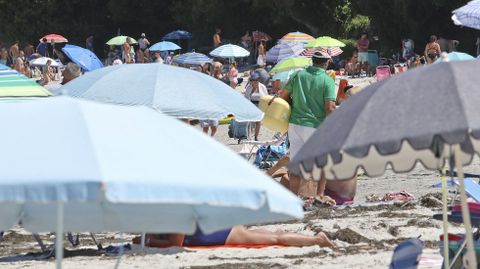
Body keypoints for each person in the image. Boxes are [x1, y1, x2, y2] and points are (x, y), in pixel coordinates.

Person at [280, 51, 336, 204]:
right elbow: (330, 108)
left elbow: (283, 95)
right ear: (326, 62)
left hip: (295, 124)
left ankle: (293, 199)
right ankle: (319, 195)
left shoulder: (299, 75)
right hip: (315, 126)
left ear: (313, 60)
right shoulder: (327, 80)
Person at [133, 225, 333, 248]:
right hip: (223, 229)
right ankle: (313, 238)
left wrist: (150, 242)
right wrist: (146, 237)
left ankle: (317, 240)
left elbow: (174, 244)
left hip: (224, 234)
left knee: (275, 240)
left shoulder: (176, 217)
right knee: (273, 236)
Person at [245, 72, 268, 140]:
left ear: (258, 80)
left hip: (260, 106)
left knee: (258, 122)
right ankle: (249, 135)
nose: (254, 81)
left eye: (256, 80)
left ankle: (256, 137)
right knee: (250, 121)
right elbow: (246, 98)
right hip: (252, 105)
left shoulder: (262, 87)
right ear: (251, 80)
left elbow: (266, 96)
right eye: (253, 80)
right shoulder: (249, 87)